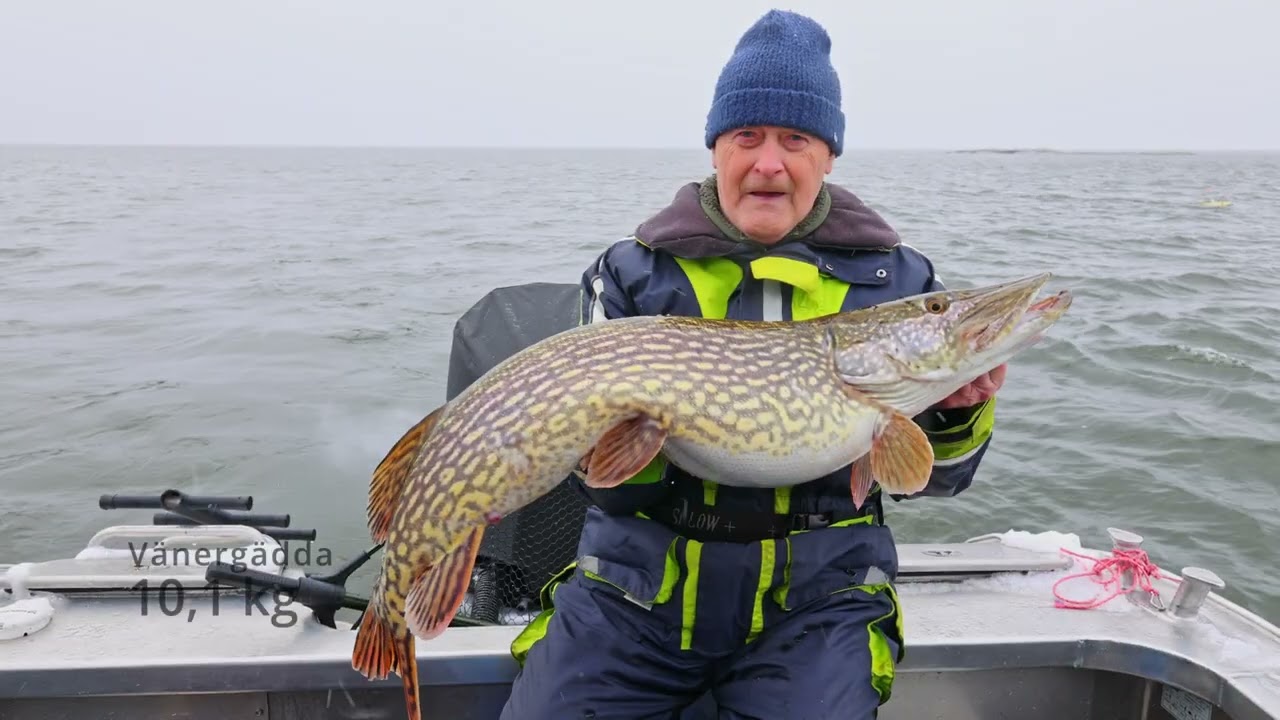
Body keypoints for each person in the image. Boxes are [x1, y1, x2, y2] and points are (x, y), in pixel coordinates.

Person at [499, 9, 1003, 719]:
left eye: (795, 138)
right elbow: (610, 493)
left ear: (828, 155)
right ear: (716, 150)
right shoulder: (632, 274)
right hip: (635, 596)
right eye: (747, 137)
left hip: (818, 609)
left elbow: (940, 480)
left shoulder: (901, 282)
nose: (769, 162)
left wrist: (960, 411)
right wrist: (617, 439)